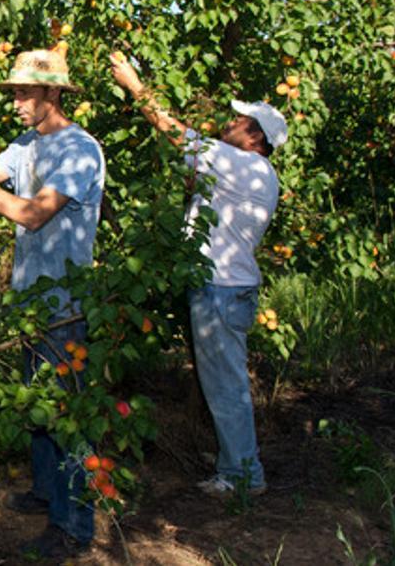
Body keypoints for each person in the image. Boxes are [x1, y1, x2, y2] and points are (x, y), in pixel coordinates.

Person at [0, 48, 106, 558]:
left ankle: (74, 525)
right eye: (13, 94)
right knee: (37, 403)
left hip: (66, 303)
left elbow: (32, 215)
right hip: (32, 300)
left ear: (53, 94)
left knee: (67, 413)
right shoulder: (25, 144)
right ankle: (44, 492)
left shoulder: (80, 150)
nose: (16, 103)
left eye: (24, 94)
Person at [110, 53, 284, 498]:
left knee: (225, 386)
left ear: (255, 137)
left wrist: (134, 85)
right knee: (226, 382)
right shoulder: (260, 173)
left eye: (239, 120)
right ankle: (236, 463)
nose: (230, 122)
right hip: (230, 286)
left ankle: (244, 476)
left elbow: (174, 134)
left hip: (221, 288)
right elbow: (199, 184)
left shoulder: (240, 164)